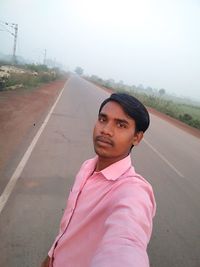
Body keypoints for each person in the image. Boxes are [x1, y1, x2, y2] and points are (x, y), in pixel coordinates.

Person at [41, 93, 156, 267]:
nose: (106, 130)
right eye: (103, 119)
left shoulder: (133, 191)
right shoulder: (87, 167)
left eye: (121, 125)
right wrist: (50, 257)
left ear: (137, 137)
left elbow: (126, 242)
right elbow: (69, 229)